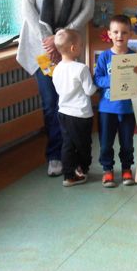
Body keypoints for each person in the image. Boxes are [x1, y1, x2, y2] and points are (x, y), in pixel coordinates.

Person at [16, 0, 95, 177]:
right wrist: (48, 37)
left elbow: (87, 9)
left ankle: (73, 155)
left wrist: (61, 36)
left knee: (71, 102)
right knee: (51, 103)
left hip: (69, 47)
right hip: (41, 47)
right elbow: (27, 6)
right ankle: (55, 156)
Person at [93, 15, 137, 188]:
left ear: (130, 34)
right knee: (106, 143)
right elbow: (97, 79)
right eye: (115, 32)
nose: (119, 36)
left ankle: (126, 169)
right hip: (107, 109)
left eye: (124, 32)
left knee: (127, 142)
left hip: (128, 108)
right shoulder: (104, 57)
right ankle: (107, 170)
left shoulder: (134, 56)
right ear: (109, 34)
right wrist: (111, 79)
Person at [51, 29, 96, 187]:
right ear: (73, 48)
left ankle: (68, 175)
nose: (82, 47)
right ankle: (82, 169)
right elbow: (89, 91)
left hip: (63, 112)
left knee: (68, 144)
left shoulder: (57, 68)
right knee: (83, 144)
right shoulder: (81, 68)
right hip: (81, 114)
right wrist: (96, 83)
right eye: (81, 45)